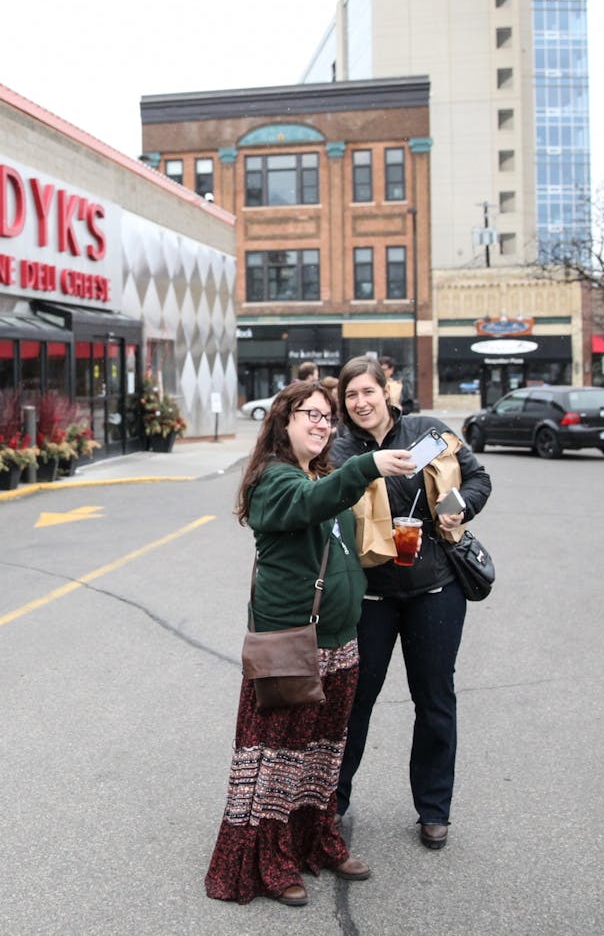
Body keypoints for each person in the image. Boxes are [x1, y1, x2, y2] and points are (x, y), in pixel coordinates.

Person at [205, 380, 416, 907]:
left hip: (340, 644)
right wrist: (366, 467)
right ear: (284, 421)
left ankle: (315, 841)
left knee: (322, 756)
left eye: (328, 417)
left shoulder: (317, 473)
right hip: (293, 645)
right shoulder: (273, 482)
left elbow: (344, 539)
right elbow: (311, 503)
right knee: (279, 760)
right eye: (311, 415)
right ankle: (270, 863)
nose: (323, 424)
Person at [330, 356, 492, 851]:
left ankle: (433, 810)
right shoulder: (338, 450)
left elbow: (477, 479)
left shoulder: (427, 433)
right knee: (354, 704)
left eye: (368, 392)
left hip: (435, 591)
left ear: (386, 392)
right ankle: (332, 804)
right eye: (351, 396)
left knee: (435, 699)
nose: (361, 402)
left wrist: (458, 506)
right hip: (370, 596)